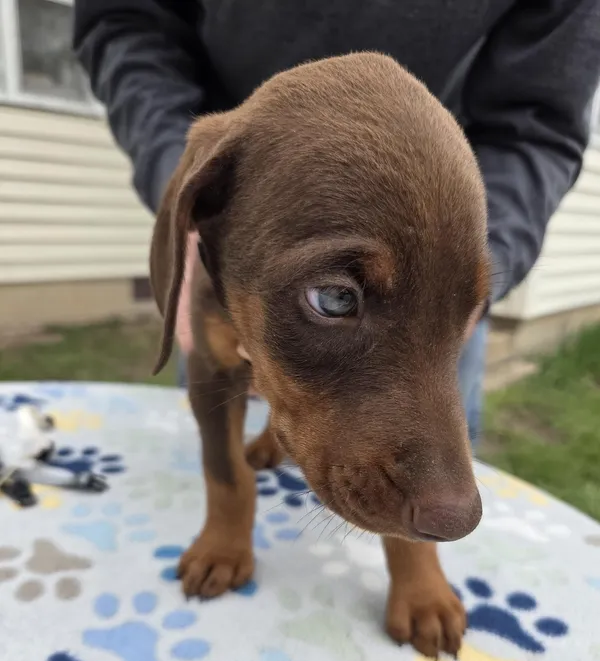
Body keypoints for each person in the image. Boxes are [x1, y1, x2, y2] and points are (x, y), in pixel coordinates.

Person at [73, 0, 600, 445]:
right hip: (243, 224)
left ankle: (414, 564)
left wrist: (477, 264)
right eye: (337, 299)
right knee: (224, 399)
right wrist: (191, 192)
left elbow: (537, 121)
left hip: (438, 236)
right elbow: (127, 18)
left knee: (417, 474)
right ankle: (233, 515)